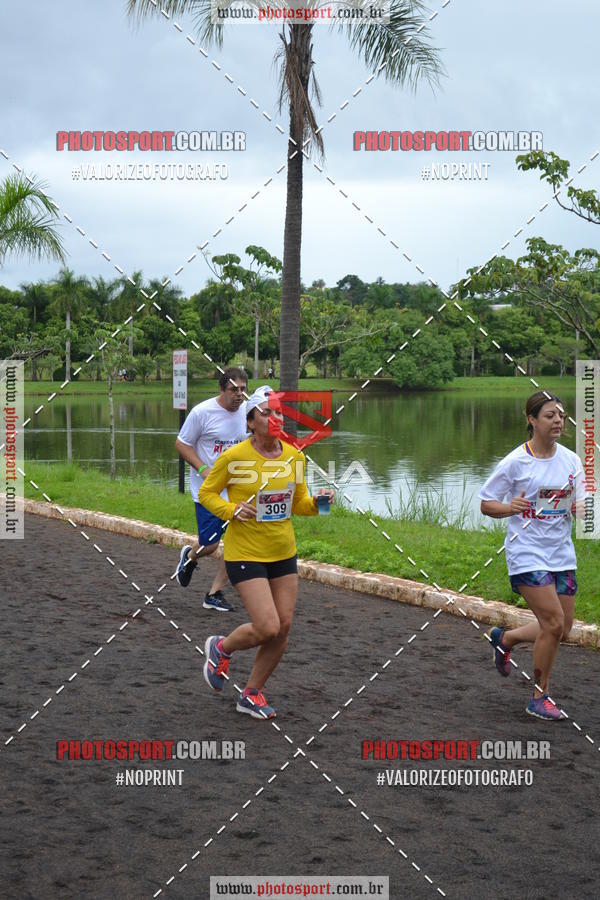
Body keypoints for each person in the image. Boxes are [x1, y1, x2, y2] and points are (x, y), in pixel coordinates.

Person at [198, 385, 334, 719]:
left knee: (283, 627)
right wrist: (231, 510)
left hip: (283, 552)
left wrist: (320, 504)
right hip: (246, 553)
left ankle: (251, 694)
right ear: (250, 422)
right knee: (267, 627)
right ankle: (221, 647)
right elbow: (206, 493)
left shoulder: (294, 457)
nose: (276, 418)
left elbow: (298, 504)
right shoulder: (234, 457)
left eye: (279, 413)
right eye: (267, 413)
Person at [479, 391, 586, 721]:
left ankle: (505, 638)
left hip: (561, 553)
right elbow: (486, 504)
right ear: (532, 420)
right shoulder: (515, 462)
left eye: (561, 416)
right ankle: (540, 697)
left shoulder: (572, 461)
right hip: (526, 551)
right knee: (552, 623)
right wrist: (510, 507)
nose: (558, 421)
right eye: (550, 415)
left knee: (562, 629)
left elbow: (583, 504)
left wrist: (582, 509)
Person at [175, 367, 248, 611]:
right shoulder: (202, 413)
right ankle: (190, 557)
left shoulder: (247, 412)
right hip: (208, 490)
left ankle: (214, 594)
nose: (239, 395)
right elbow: (182, 444)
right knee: (211, 545)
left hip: (236, 489)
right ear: (221, 389)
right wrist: (204, 470)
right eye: (233, 390)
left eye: (243, 390)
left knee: (238, 543)